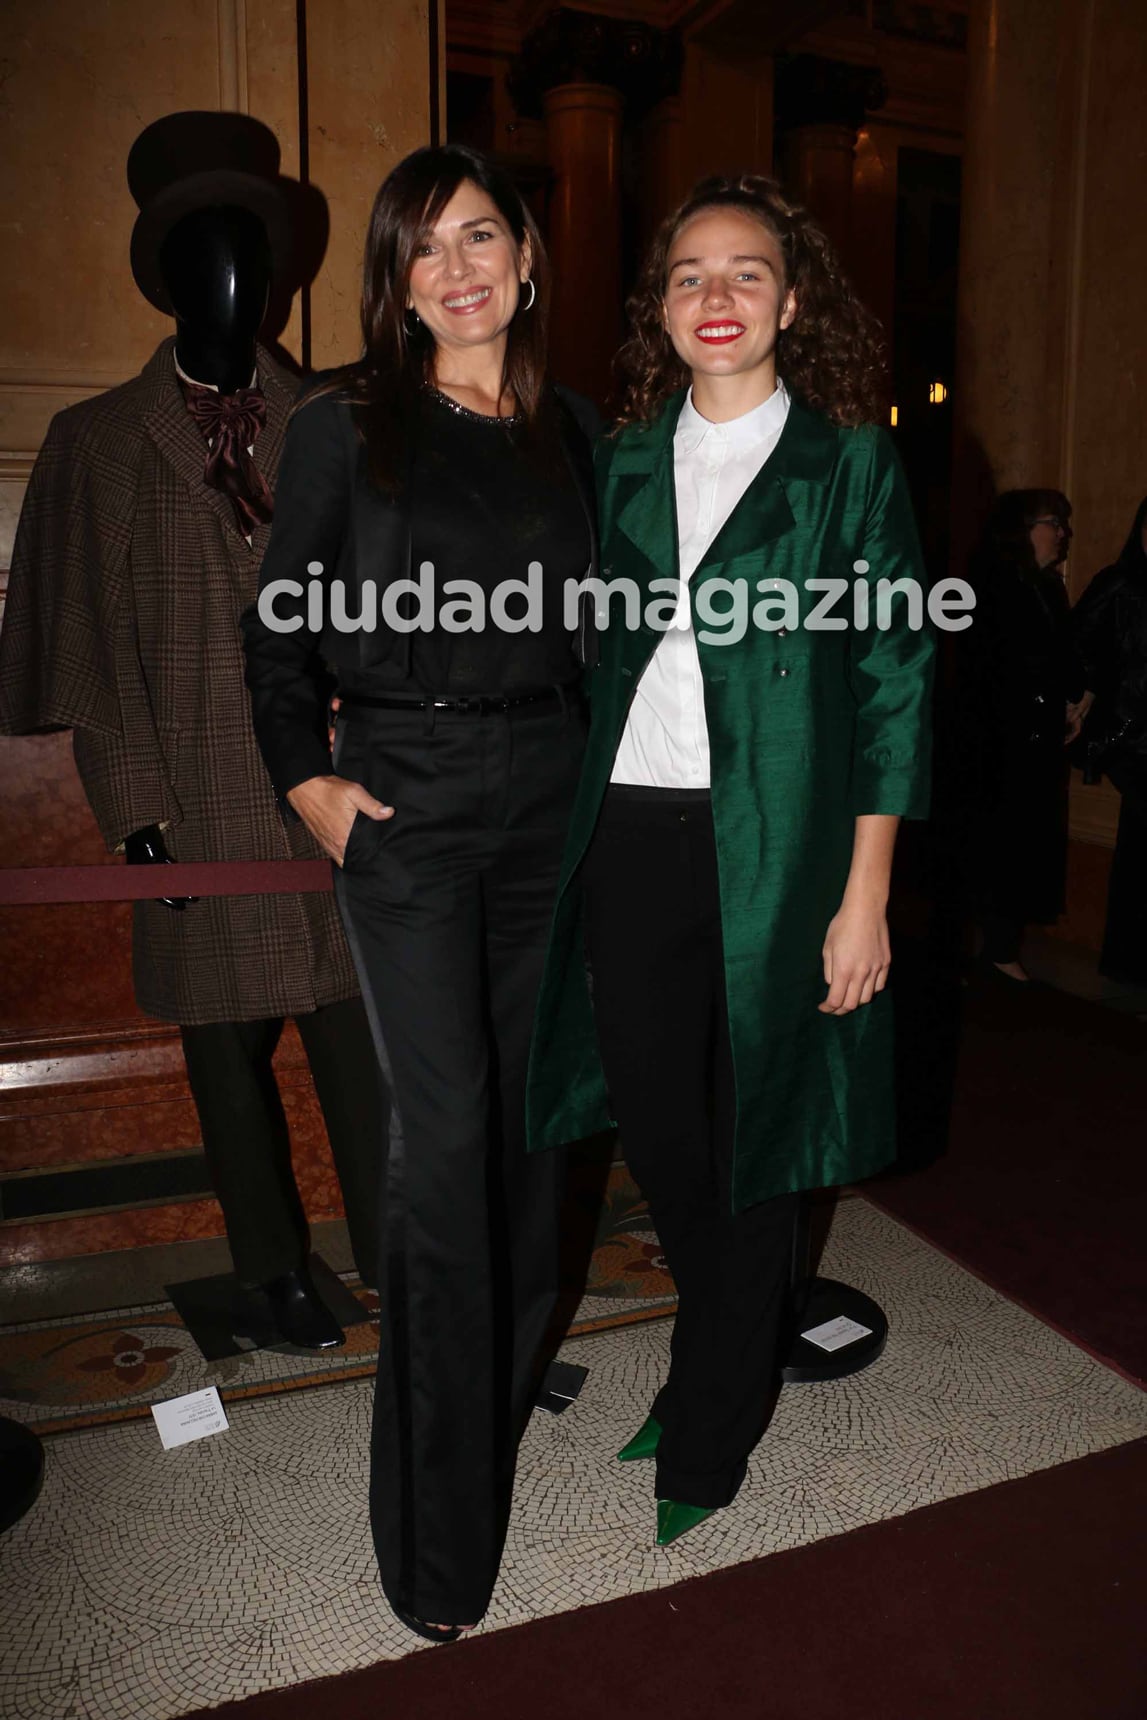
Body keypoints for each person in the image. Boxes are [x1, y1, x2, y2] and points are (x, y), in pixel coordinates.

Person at [526, 174, 934, 1545]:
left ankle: (708, 1419)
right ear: (657, 306)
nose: (714, 296)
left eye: (744, 272)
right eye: (688, 274)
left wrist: (862, 891)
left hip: (781, 849)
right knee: (659, 1126)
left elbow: (889, 675)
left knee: (758, 1135)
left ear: (790, 300)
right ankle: (728, 1351)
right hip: (630, 834)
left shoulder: (848, 464)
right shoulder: (620, 455)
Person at [240, 144, 599, 1640]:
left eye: (478, 237)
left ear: (524, 255)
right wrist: (304, 781)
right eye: (419, 251)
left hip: (555, 807)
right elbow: (275, 643)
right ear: (393, 285)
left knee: (539, 1154)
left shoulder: (577, 431)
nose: (454, 270)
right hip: (409, 807)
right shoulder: (344, 426)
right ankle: (438, 1545)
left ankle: (487, 1416)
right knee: (442, 1165)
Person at [0, 111, 379, 1349]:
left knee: (363, 1052)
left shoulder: (338, 418)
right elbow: (91, 663)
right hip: (201, 808)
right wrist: (138, 817)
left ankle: (398, 1257)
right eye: (204, 257)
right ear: (167, 278)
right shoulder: (98, 443)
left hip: (328, 799)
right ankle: (267, 1268)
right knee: (227, 1067)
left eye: (249, 257)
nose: (233, 283)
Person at [958, 490, 1086, 981]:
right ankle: (997, 945)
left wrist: (1072, 700)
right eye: (1052, 522)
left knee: (1025, 842)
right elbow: (989, 668)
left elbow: (1060, 658)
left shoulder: (1047, 587)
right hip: (997, 744)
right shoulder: (989, 585)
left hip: (1035, 743)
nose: (1062, 532)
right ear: (1022, 530)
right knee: (1001, 842)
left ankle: (1001, 942)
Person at [1072, 496, 1147, 982]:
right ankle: (1128, 961)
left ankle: (1128, 962)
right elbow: (1077, 644)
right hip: (1133, 739)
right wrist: (1087, 693)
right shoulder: (1120, 583)